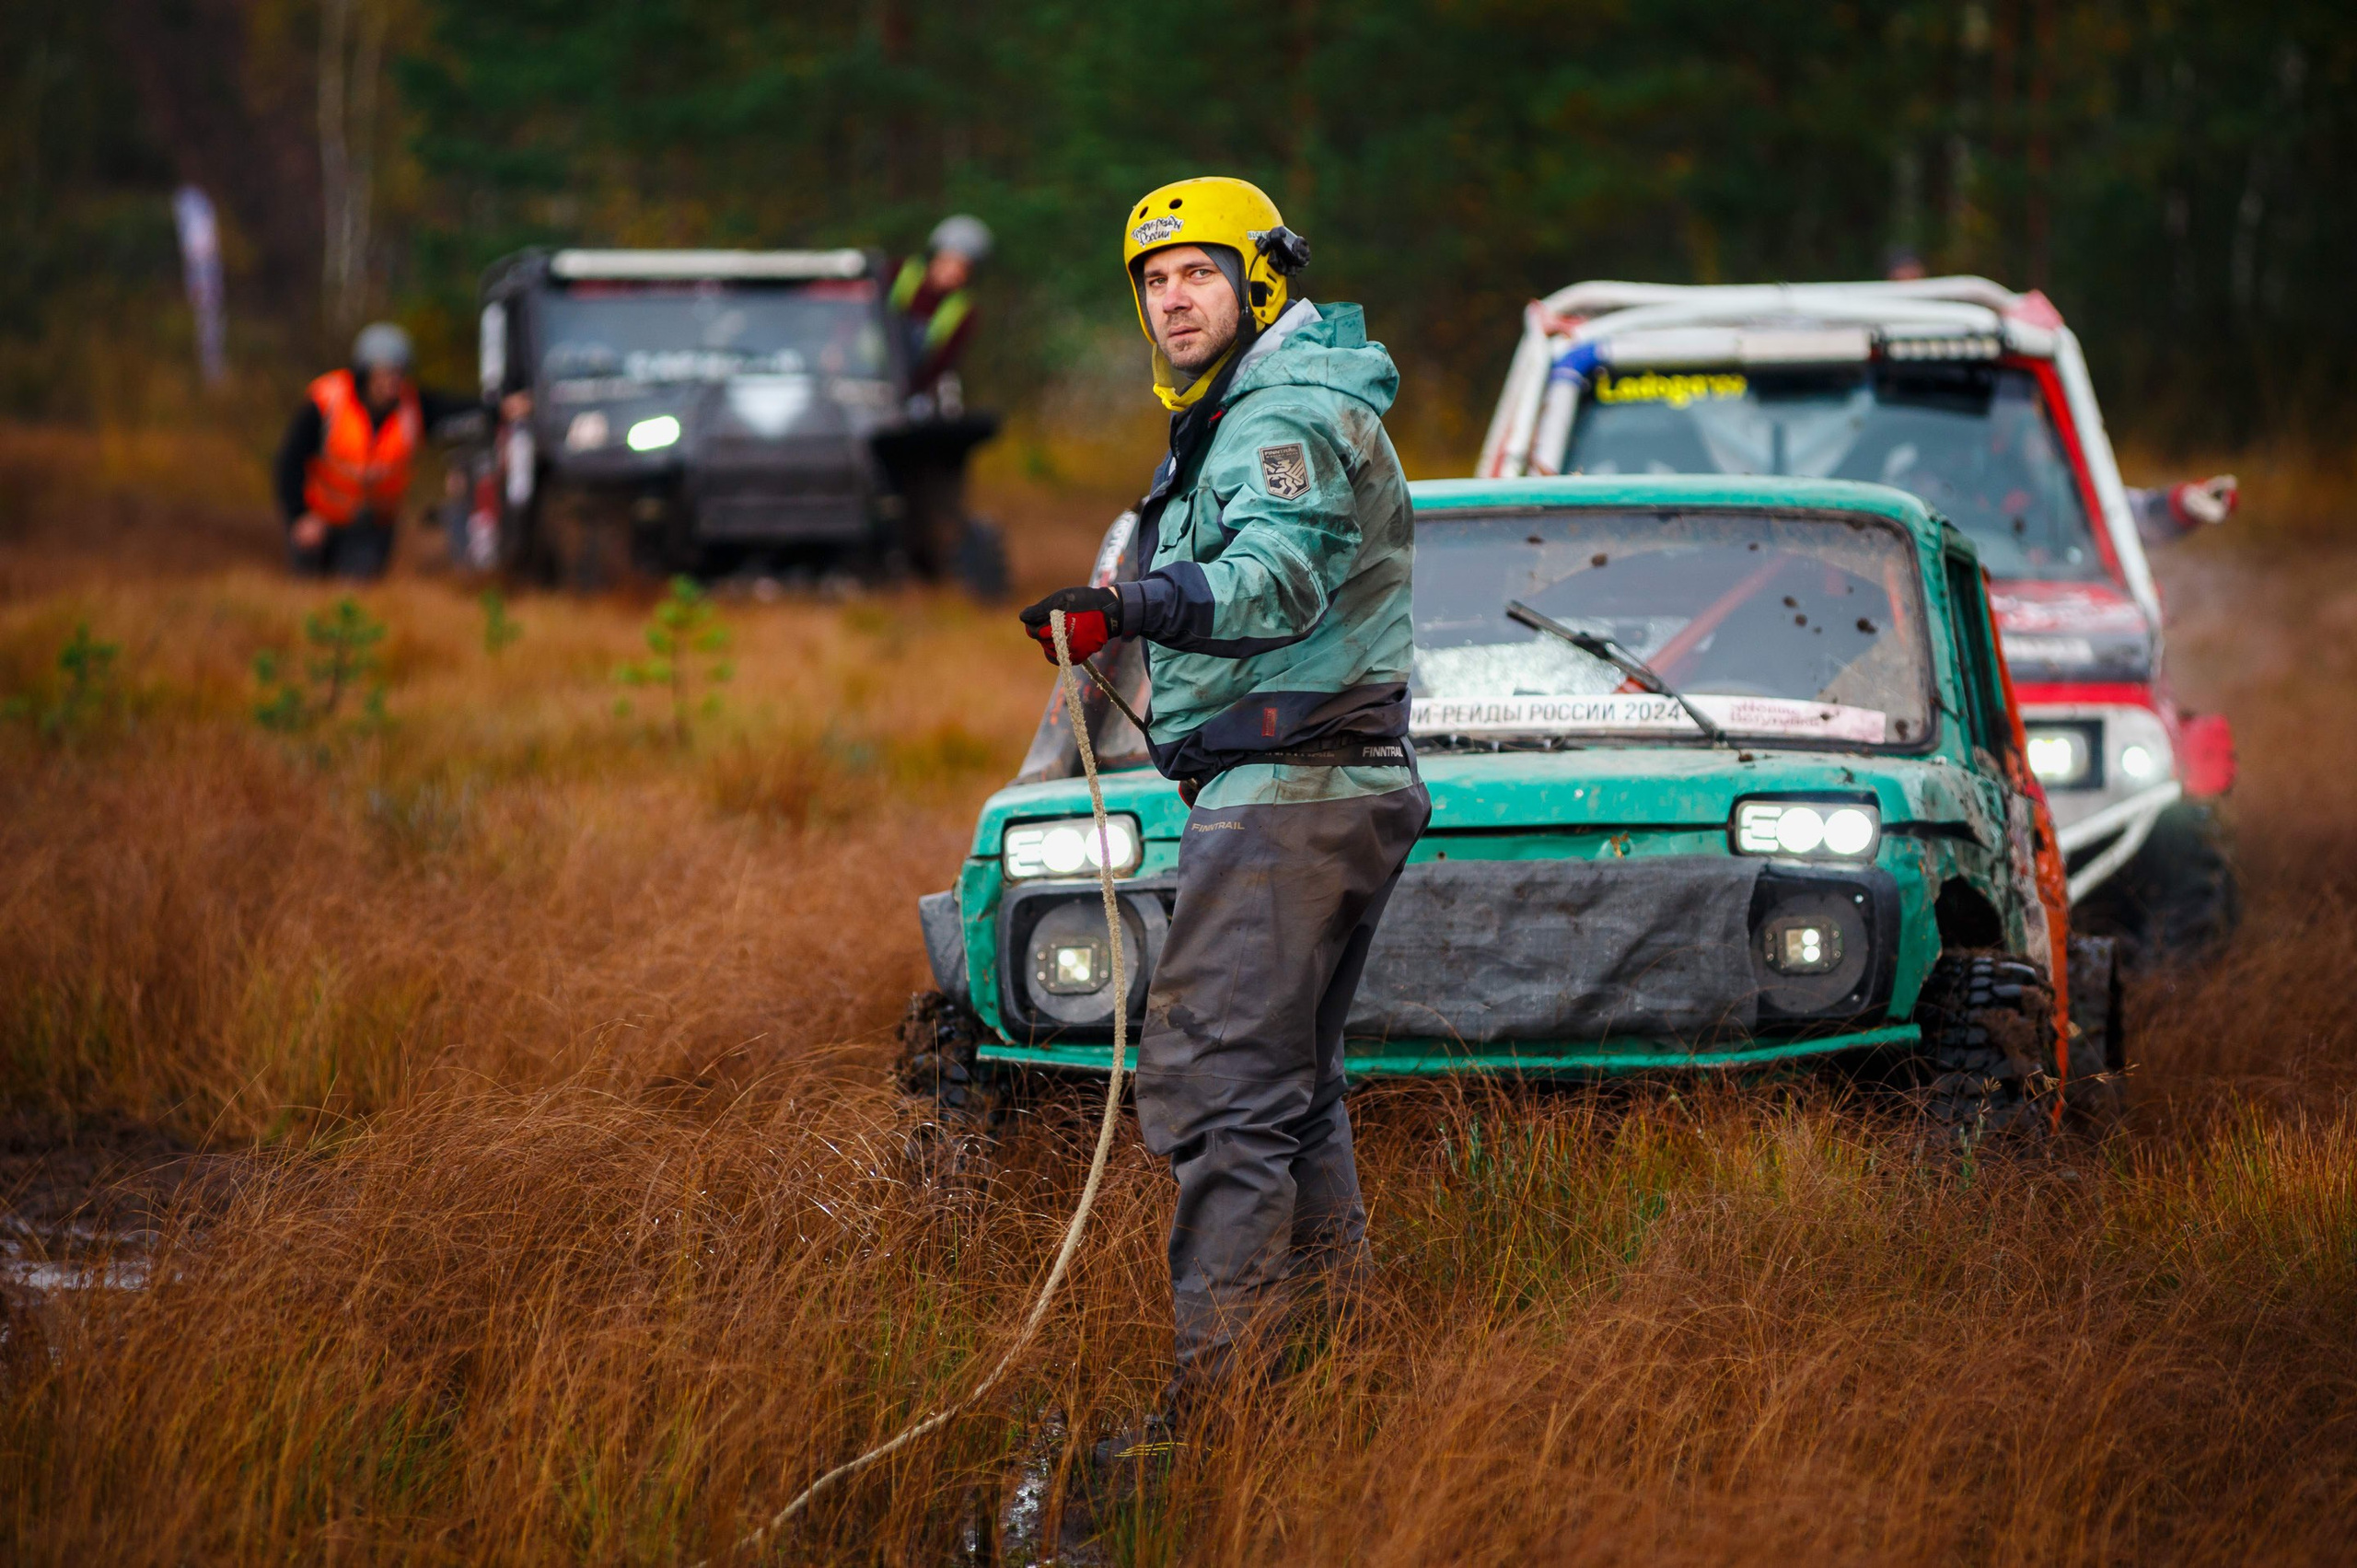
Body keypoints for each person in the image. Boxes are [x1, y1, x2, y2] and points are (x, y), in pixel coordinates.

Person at [1017, 178, 1426, 1457]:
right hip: (1319, 783)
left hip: (1289, 791)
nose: (1172, 297)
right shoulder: (1246, 409)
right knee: (1292, 1096)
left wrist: (1129, 608)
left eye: (1198, 271)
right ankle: (1338, 1385)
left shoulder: (1282, 406)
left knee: (1217, 1093)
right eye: (1152, 279)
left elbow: (1279, 576)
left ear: (1261, 281)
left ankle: (1225, 1416)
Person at [273, 322, 484, 580]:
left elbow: (457, 409)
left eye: (399, 374)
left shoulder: (413, 406)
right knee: (308, 595)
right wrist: (300, 516)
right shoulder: (327, 402)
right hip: (319, 520)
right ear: (365, 373)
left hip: (372, 527)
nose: (393, 382)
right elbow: (290, 461)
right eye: (385, 374)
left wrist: (500, 409)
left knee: (357, 596)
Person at [888, 214, 993, 405]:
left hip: (907, 390)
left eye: (964, 267)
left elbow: (941, 364)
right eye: (949, 261)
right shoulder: (897, 273)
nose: (954, 272)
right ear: (935, 256)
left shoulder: (962, 310)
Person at [2126, 473, 2238, 546]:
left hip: (2145, 519)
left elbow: (2190, 501)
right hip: (2146, 505)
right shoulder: (2199, 491)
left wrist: (2219, 511)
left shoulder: (2198, 502)